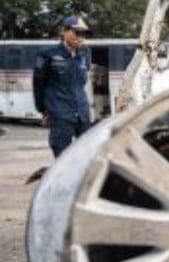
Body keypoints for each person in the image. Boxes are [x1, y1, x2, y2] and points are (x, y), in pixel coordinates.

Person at [33, 15, 92, 158]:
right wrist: (43, 110)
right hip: (60, 113)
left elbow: (81, 82)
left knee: (87, 155)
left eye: (83, 33)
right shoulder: (47, 55)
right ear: (64, 32)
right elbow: (38, 85)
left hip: (82, 113)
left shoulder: (85, 54)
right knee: (62, 157)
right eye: (77, 32)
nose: (80, 37)